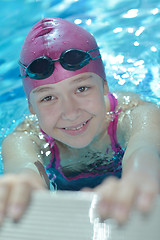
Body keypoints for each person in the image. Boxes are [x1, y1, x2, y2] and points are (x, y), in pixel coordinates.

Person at [1, 17, 160, 225]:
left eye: (82, 88)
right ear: (32, 108)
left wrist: (139, 176)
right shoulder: (24, 139)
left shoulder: (136, 113)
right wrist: (24, 187)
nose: (70, 113)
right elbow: (25, 170)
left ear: (104, 86)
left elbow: (145, 149)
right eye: (48, 98)